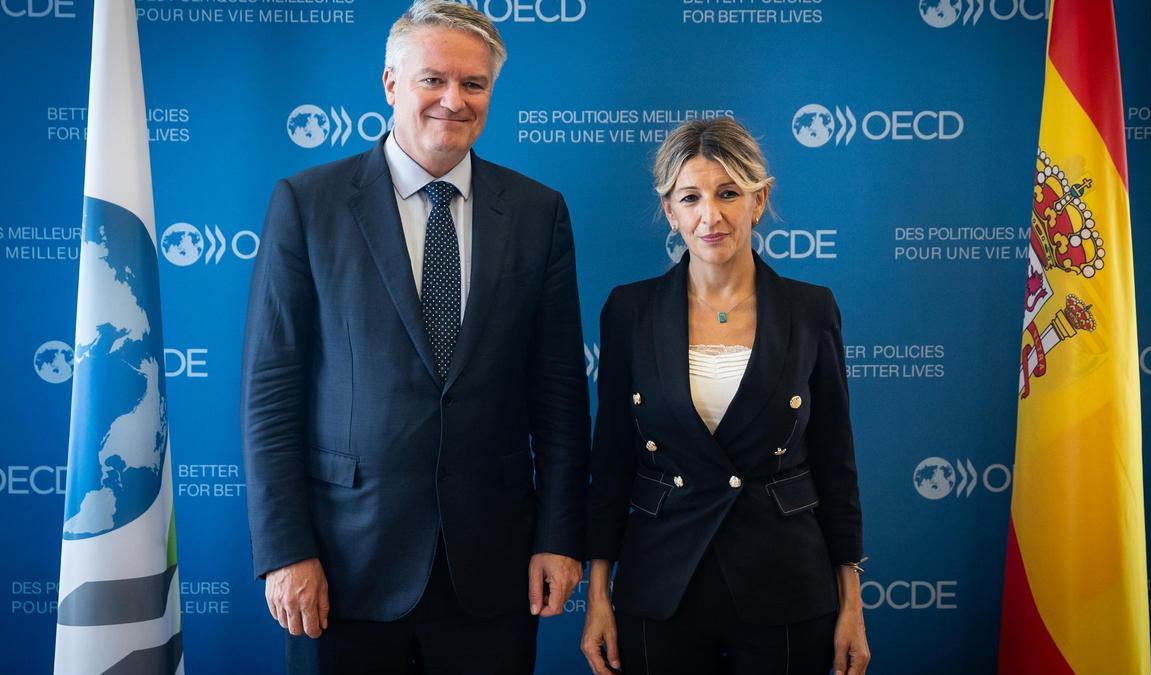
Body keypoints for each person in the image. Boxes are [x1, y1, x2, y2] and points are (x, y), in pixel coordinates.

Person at [240, 2, 590, 673]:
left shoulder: (537, 212)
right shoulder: (308, 205)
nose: (453, 100)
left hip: (493, 568)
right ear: (391, 83)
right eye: (433, 79)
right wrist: (285, 551)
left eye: (474, 84)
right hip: (341, 569)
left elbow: (559, 395)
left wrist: (559, 535)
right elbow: (271, 394)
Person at [580, 118, 870, 675]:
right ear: (670, 211)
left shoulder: (811, 310)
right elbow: (611, 463)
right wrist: (598, 596)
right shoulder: (629, 312)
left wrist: (852, 603)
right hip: (659, 584)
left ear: (759, 201)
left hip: (786, 584)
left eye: (729, 193)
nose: (710, 216)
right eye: (691, 197)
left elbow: (836, 465)